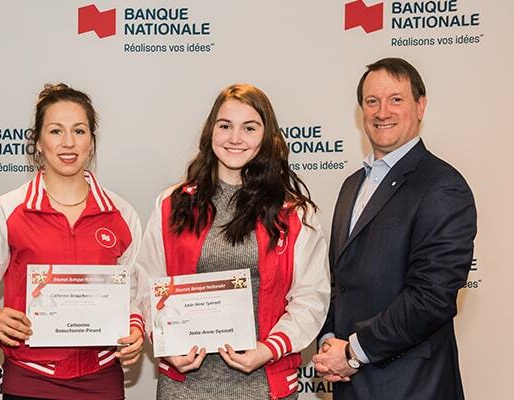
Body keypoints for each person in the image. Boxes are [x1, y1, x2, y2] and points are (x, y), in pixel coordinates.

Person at [136, 84, 330, 400]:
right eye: (225, 126)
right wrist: (164, 342)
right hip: (184, 387)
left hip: (264, 385)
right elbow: (146, 283)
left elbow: (312, 296)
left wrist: (269, 349)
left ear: (266, 137)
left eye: (249, 128)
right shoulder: (171, 204)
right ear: (211, 131)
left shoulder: (294, 214)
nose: (235, 138)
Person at [0, 84, 144, 400]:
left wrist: (137, 328)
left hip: (101, 378)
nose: (68, 142)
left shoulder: (121, 214)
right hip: (30, 377)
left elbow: (135, 289)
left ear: (92, 141)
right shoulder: (7, 210)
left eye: (79, 131)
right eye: (56, 131)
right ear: (38, 142)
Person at [312, 57, 477, 400]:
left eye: (396, 99)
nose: (382, 111)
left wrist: (353, 352)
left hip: (410, 385)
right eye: (372, 101)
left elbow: (431, 298)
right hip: (350, 384)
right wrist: (329, 340)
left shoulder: (442, 186)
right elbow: (338, 282)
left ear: (421, 106)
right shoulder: (351, 186)